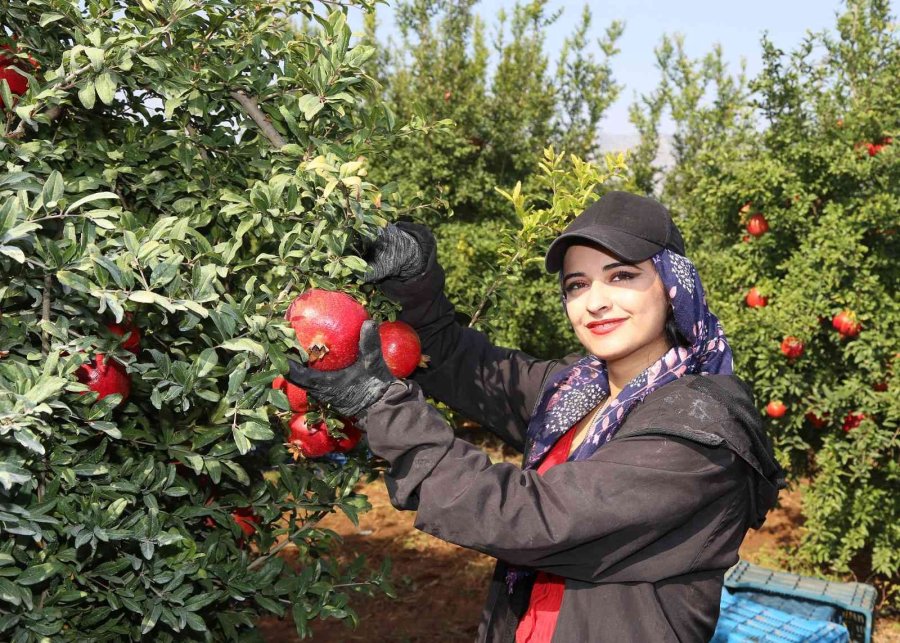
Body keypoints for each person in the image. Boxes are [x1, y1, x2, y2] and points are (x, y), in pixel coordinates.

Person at [286, 191, 784, 642]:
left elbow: (529, 519)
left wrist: (379, 407)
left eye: (622, 276)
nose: (596, 302)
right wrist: (412, 281)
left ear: (672, 286)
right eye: (577, 284)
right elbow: (457, 360)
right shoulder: (576, 389)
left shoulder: (700, 432)